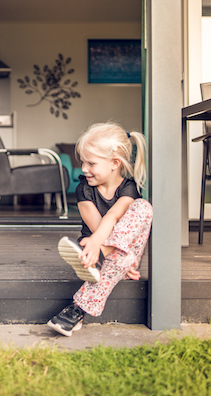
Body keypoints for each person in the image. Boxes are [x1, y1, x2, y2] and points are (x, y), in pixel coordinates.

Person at [47, 122, 153, 336]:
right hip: (95, 250)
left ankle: (77, 308)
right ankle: (113, 263)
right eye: (83, 162)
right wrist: (103, 248)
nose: (84, 168)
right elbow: (97, 226)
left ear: (115, 163)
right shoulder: (83, 189)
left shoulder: (129, 188)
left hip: (100, 252)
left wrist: (101, 247)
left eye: (91, 163)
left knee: (143, 207)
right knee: (120, 256)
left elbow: (113, 216)